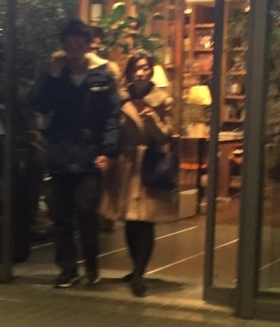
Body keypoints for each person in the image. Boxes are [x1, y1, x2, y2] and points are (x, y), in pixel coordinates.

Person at [31, 18, 120, 288]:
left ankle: (92, 265)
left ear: (88, 44)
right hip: (60, 153)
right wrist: (53, 75)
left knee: (86, 210)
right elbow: (40, 105)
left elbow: (112, 116)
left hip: (89, 154)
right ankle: (68, 269)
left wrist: (108, 151)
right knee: (61, 215)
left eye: (79, 43)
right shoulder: (57, 74)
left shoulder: (102, 75)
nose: (74, 48)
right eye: (69, 43)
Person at [101, 52, 176, 297]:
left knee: (145, 220)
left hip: (148, 163)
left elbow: (166, 136)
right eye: (136, 68)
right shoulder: (120, 98)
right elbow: (112, 128)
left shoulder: (162, 100)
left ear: (151, 71)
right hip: (125, 164)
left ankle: (139, 274)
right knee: (130, 220)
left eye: (145, 68)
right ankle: (135, 269)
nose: (141, 73)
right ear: (130, 72)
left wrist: (152, 119)